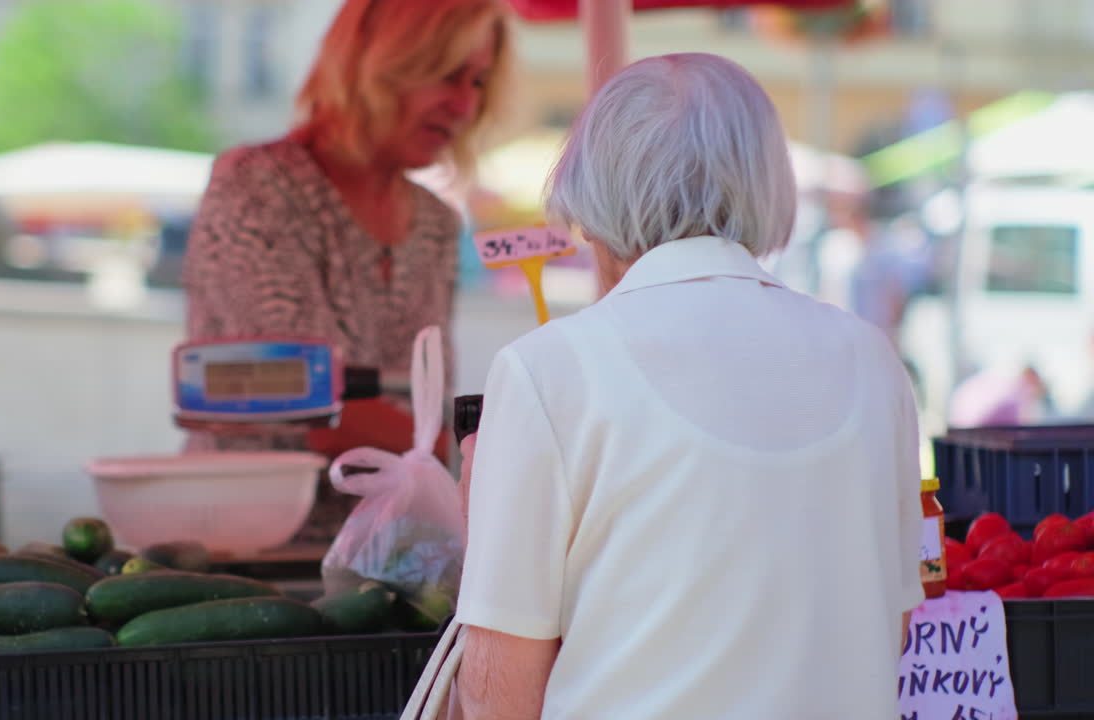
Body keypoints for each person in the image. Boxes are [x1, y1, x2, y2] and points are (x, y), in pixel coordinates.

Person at [454, 54, 924, 718]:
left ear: (588, 200)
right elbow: (893, 623)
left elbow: (500, 691)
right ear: (767, 184)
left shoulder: (548, 370)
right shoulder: (870, 360)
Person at [181, 0, 515, 542]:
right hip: (254, 549)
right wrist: (483, 455)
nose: (464, 105)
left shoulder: (435, 219)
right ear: (372, 65)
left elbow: (428, 400)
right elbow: (309, 400)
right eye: (446, 75)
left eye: (478, 81)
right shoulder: (257, 185)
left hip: (392, 554)